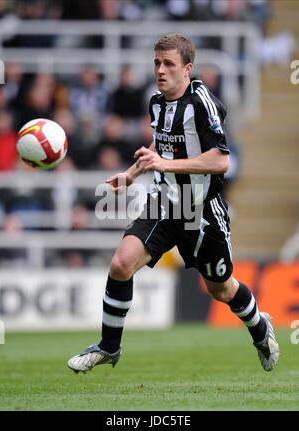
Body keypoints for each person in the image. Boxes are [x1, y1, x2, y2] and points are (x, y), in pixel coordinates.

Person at [67, 33, 279, 374]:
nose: (160, 71)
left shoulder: (201, 102)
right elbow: (160, 146)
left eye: (169, 64)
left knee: (221, 289)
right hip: (164, 205)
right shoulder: (156, 103)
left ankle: (259, 327)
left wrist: (167, 165)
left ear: (187, 69)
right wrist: (131, 175)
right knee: (121, 263)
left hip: (202, 212)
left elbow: (220, 160)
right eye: (157, 63)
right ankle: (108, 347)